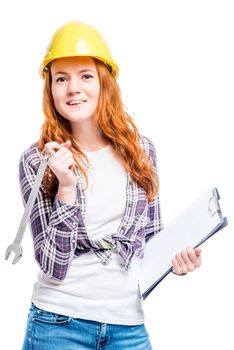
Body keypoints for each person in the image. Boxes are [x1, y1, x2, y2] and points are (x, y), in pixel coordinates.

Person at [20, 20, 202, 350]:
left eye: (85, 76)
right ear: (51, 90)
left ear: (105, 83)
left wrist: (177, 261)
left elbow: (151, 239)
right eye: (61, 79)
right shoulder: (38, 160)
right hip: (59, 324)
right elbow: (52, 265)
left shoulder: (141, 151)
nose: (73, 88)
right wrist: (66, 188)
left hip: (127, 325)